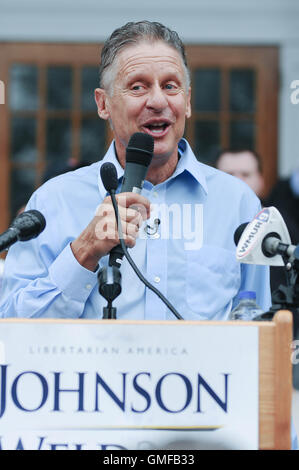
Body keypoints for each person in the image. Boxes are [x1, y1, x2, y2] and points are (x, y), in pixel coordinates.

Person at [0, 19, 296, 449]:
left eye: (171, 86)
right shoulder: (55, 201)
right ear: (103, 103)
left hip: (201, 437)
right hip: (83, 436)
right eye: (137, 87)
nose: (158, 100)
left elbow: (259, 336)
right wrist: (82, 254)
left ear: (188, 102)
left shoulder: (238, 205)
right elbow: (11, 334)